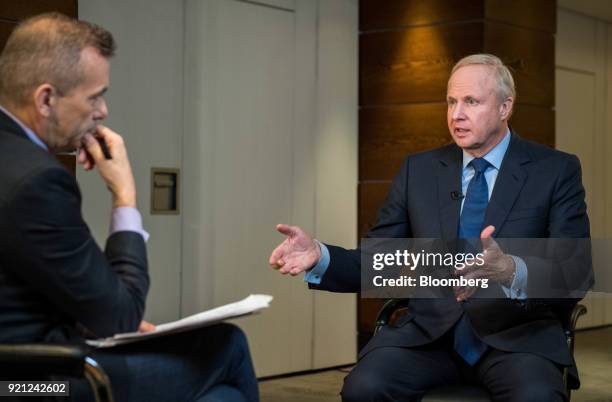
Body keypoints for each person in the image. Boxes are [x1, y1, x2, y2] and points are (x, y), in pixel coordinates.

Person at [269, 53, 591, 402]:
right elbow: (380, 258)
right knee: (364, 388)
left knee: (537, 397)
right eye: (451, 101)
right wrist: (320, 256)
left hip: (517, 340)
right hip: (428, 337)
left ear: (505, 107)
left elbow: (576, 270)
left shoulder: (554, 171)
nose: (457, 114)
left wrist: (513, 270)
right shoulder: (419, 170)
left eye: (471, 101)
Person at [0, 13, 258, 402]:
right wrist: (124, 194)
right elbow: (118, 315)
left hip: (28, 362)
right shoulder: (36, 180)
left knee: (222, 397)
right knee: (228, 346)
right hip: (28, 384)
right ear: (46, 99)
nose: (102, 111)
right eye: (94, 96)